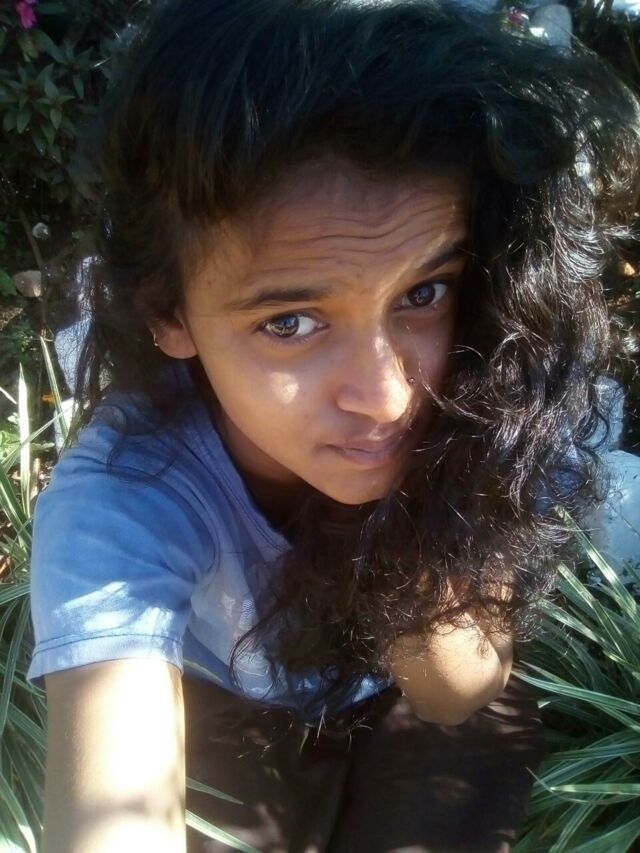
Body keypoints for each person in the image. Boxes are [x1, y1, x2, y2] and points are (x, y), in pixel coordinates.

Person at [26, 1, 640, 851]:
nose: (386, 398)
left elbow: (455, 689)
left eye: (422, 292)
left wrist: (416, 508)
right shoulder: (126, 498)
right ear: (168, 312)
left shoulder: (475, 394)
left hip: (411, 699)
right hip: (228, 711)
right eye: (290, 323)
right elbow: (112, 816)